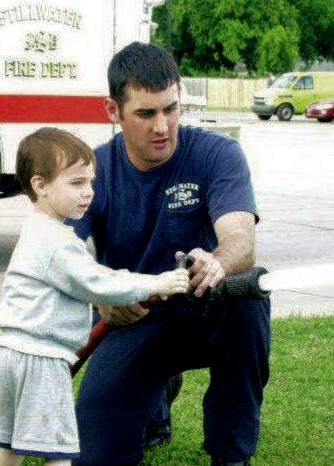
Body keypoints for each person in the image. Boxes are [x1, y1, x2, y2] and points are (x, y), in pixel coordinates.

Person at [68, 42, 271, 466]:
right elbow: (59, 250)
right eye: (146, 114)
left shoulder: (218, 154)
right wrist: (99, 294)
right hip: (133, 318)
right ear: (113, 111)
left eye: (171, 109)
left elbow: (240, 239)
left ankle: (231, 456)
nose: (163, 126)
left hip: (204, 310)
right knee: (94, 456)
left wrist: (217, 261)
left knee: (247, 300)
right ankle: (154, 400)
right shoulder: (92, 171)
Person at [0, 127, 189, 466]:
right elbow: (98, 283)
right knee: (59, 452)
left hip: (11, 354)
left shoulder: (36, 228)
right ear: (40, 185)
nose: (89, 193)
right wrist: (159, 283)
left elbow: (94, 275)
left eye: (91, 182)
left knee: (11, 445)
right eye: (76, 183)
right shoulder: (59, 242)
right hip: (42, 360)